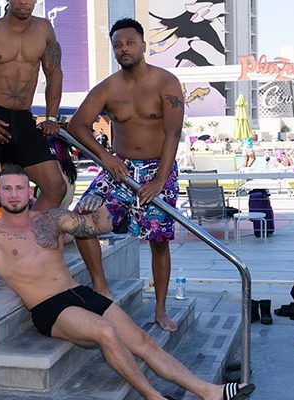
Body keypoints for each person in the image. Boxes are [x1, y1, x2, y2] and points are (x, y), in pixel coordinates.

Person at [0, 165, 256, 400]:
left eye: (20, 187)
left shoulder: (51, 219)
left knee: (143, 341)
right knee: (105, 332)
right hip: (48, 307)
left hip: (78, 293)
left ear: (30, 191)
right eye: (7, 188)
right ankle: (154, 397)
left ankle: (208, 392)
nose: (14, 194)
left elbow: (99, 226)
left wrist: (95, 207)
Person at [67, 18, 184, 332]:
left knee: (158, 241)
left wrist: (160, 179)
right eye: (117, 45)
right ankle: (102, 290)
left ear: (143, 45)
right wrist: (105, 157)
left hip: (158, 167)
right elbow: (77, 125)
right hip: (119, 169)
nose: (124, 49)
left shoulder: (166, 82)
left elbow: (173, 133)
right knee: (79, 220)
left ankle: (160, 309)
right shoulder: (108, 88)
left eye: (130, 42)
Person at [0, 0, 67, 293]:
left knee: (55, 186)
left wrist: (52, 116)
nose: (25, 2)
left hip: (23, 119)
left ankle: (23, 249)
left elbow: (54, 73)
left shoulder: (44, 30)